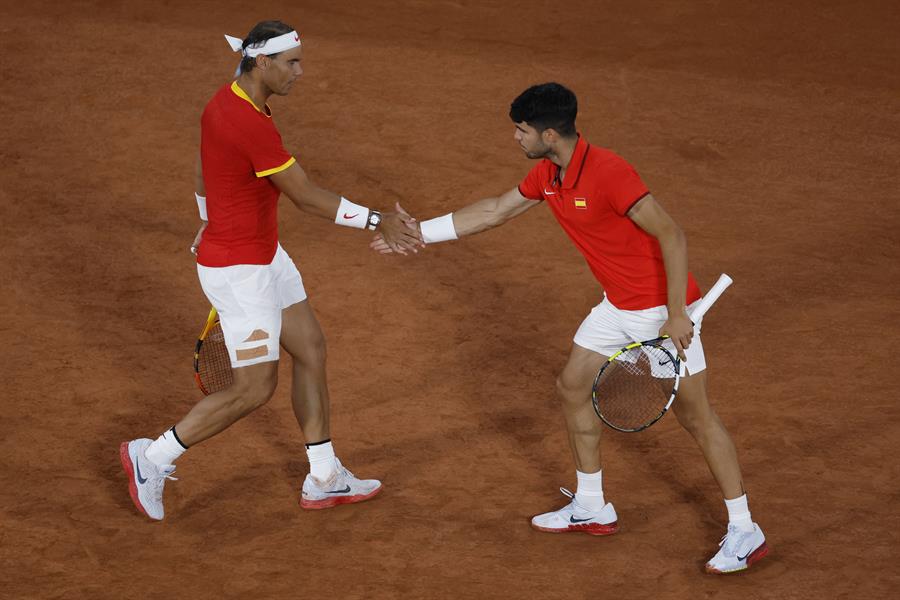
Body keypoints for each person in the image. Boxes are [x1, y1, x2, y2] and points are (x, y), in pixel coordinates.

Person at [372, 82, 768, 574]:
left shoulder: (610, 173)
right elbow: (496, 209)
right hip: (616, 306)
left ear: (550, 133)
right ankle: (592, 505)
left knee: (697, 417)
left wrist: (676, 313)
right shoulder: (550, 174)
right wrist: (419, 234)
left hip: (658, 310)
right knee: (572, 386)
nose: (516, 138)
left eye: (521, 131)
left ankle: (745, 528)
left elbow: (672, 232)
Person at [120, 20, 423, 521]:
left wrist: (207, 218)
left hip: (264, 255)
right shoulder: (250, 124)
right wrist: (379, 220)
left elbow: (203, 167)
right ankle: (151, 458)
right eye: (292, 62)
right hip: (241, 272)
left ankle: (324, 476)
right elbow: (304, 196)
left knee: (310, 347)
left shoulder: (227, 101)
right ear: (262, 62)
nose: (300, 72)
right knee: (254, 389)